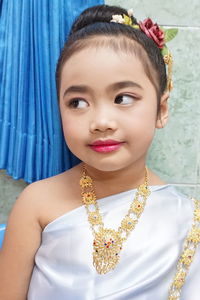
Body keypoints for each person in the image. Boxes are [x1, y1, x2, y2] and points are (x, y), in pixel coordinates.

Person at [0, 4, 199, 300]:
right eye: (78, 102)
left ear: (161, 109)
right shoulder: (37, 204)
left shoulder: (188, 219)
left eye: (123, 98)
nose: (101, 122)